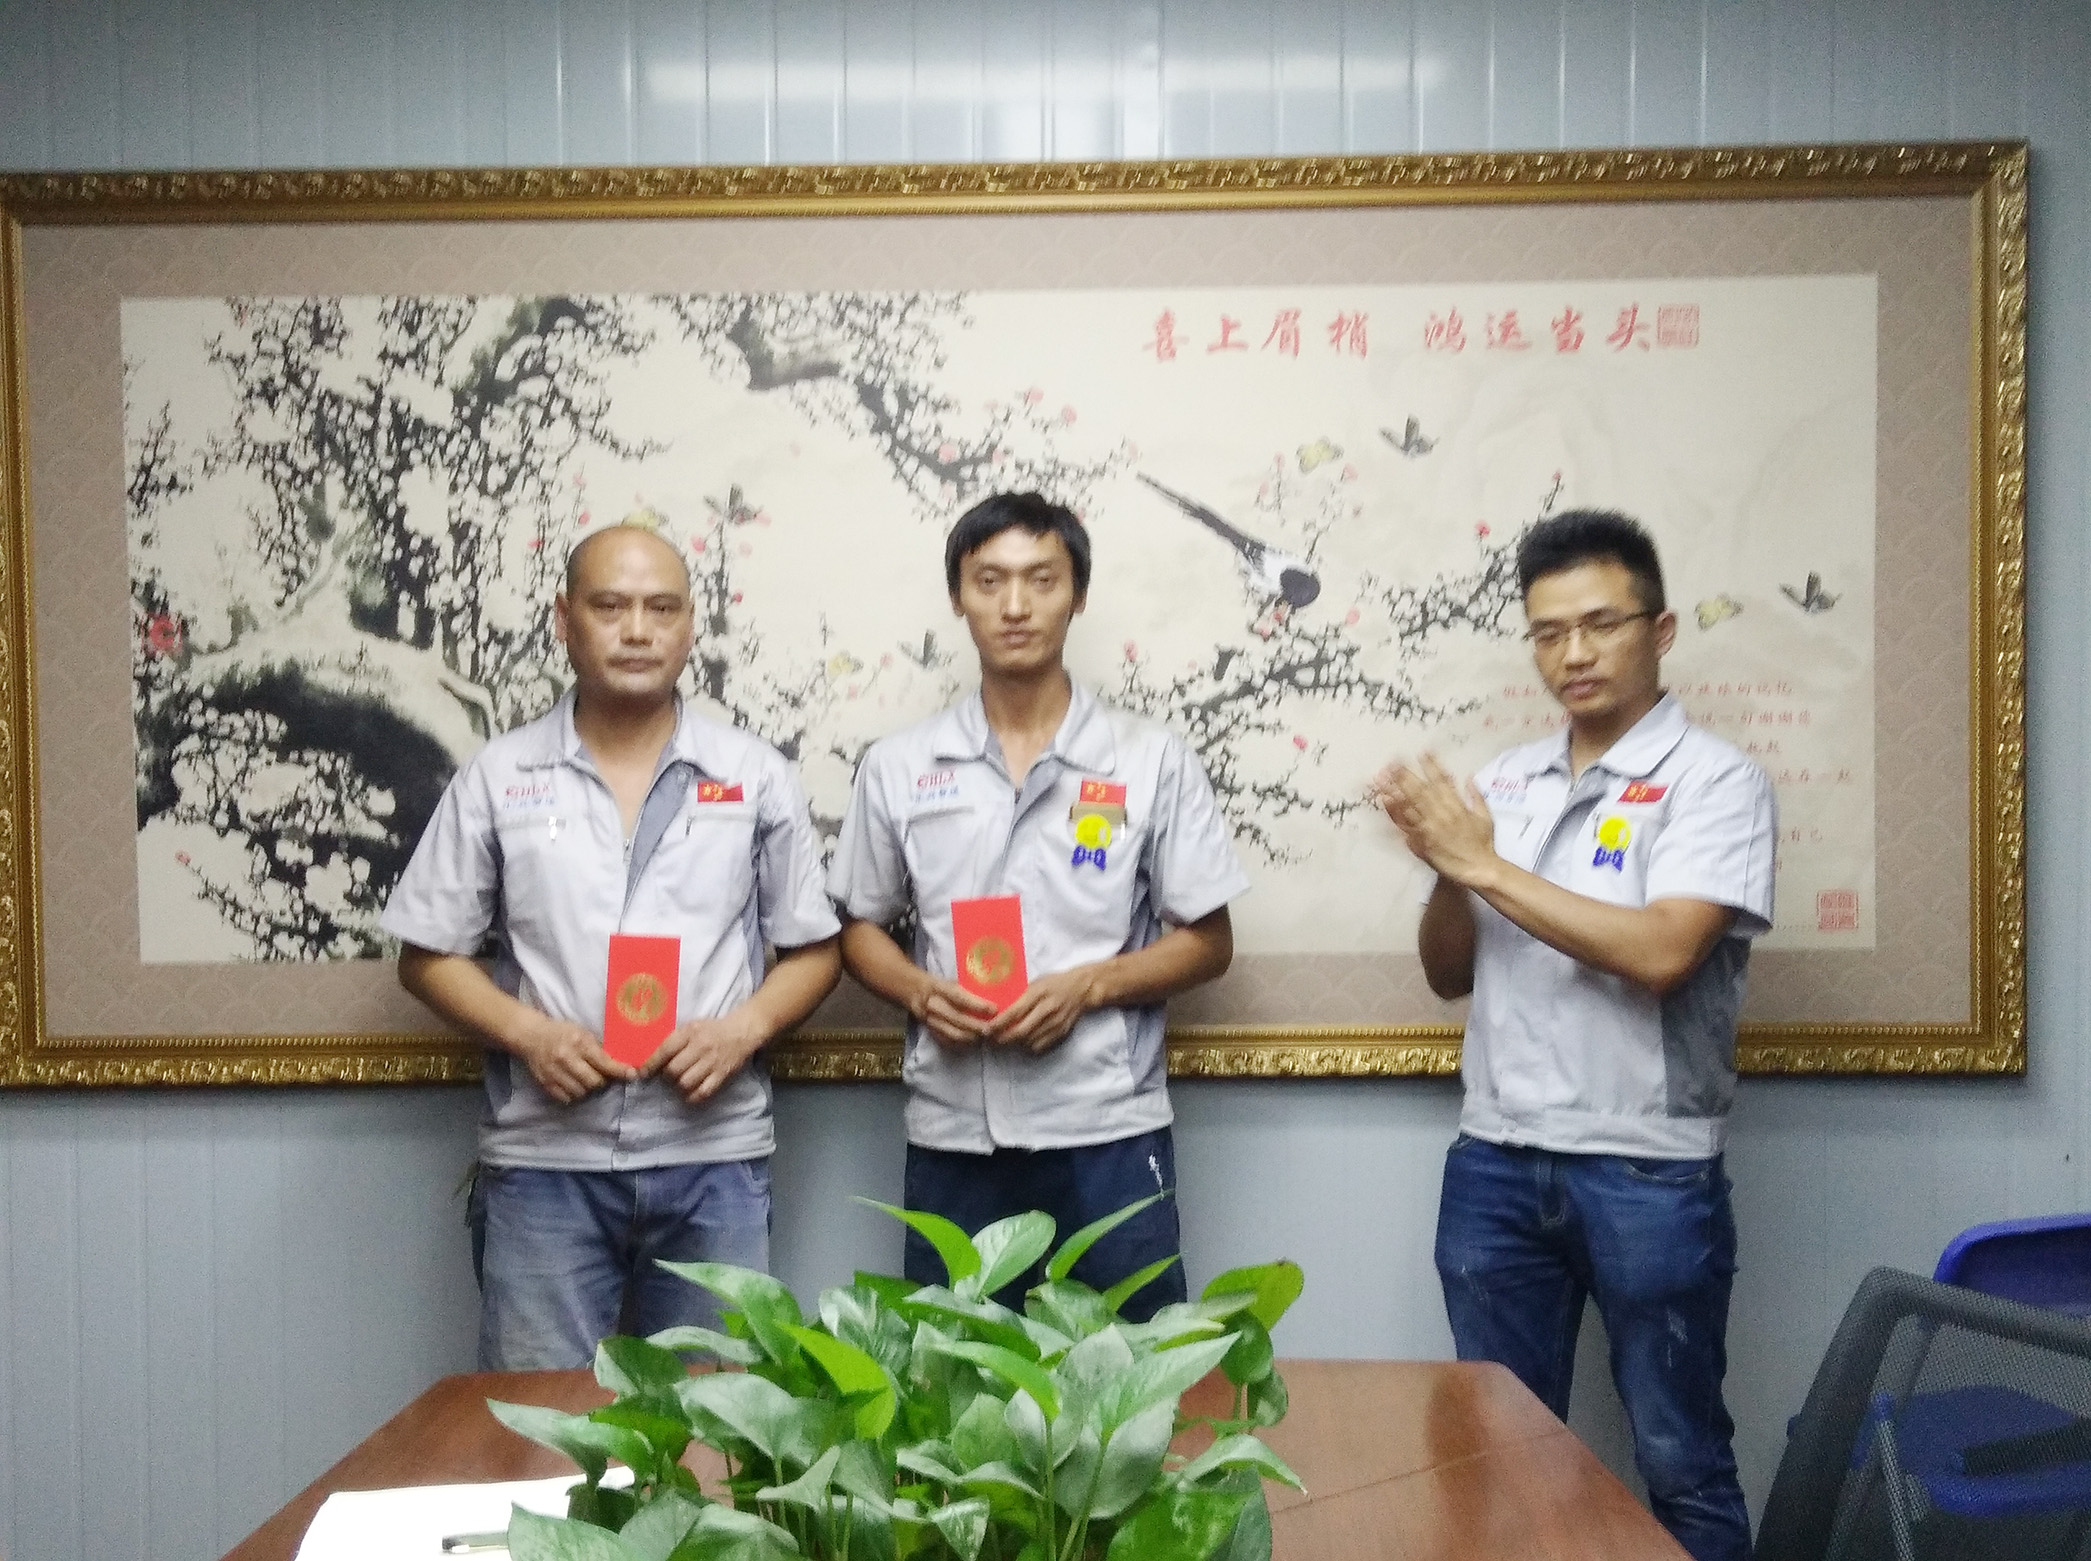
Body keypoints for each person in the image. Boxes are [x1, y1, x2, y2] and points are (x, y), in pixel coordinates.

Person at [1374, 508, 1774, 1561]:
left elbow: (1662, 951)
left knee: (1681, 1459)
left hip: (1647, 1166)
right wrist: (1448, 869)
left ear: (1661, 629)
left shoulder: (1715, 780)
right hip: (1496, 1157)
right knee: (1491, 1455)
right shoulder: (1504, 782)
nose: (1574, 653)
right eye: (1548, 632)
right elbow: (1449, 972)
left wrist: (1484, 862)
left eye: (1600, 624)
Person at [381, 521, 841, 1370]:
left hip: (712, 1156)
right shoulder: (500, 775)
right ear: (564, 619)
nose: (637, 630)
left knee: (719, 1425)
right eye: (610, 606)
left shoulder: (753, 775)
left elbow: (814, 948)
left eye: (661, 608)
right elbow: (427, 954)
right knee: (537, 1426)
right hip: (544, 1160)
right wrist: (529, 1034)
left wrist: (740, 1030)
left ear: (690, 624)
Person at [829, 491, 1249, 1319]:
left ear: (1077, 595)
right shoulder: (901, 765)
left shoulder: (1148, 760)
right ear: (958, 596)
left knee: (1127, 1374)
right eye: (988, 581)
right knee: (952, 1380)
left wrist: (1086, 986)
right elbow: (859, 929)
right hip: (954, 1130)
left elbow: (1208, 940)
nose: (1014, 605)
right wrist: (919, 992)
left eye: (1041, 580)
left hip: (1105, 1127)